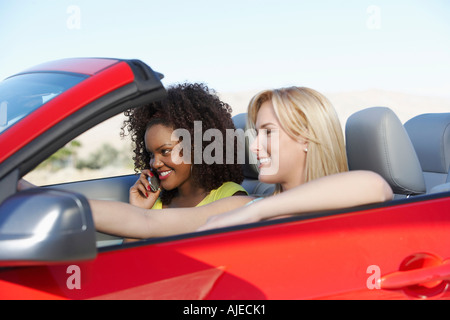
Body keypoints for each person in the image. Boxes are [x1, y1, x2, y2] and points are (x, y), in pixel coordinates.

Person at [88, 86, 393, 238]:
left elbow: (375, 185)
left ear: (306, 137)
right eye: (254, 133)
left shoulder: (351, 202)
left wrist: (259, 211)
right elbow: (146, 222)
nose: (254, 145)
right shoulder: (241, 206)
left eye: (268, 132)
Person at [121, 83, 247, 212]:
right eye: (151, 154)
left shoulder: (230, 198)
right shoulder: (154, 203)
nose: (154, 163)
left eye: (165, 151)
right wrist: (138, 211)